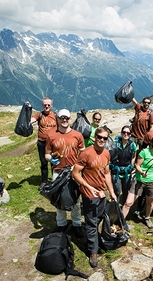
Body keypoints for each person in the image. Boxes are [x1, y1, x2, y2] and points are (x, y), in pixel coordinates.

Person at [72, 127, 117, 268]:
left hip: (102, 193)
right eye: (99, 137)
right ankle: (93, 251)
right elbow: (75, 173)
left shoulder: (106, 154)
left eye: (105, 138)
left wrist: (112, 191)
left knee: (98, 219)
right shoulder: (86, 153)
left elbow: (107, 173)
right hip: (89, 195)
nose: (102, 140)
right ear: (95, 136)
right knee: (91, 223)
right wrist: (89, 187)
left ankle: (92, 241)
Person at [44, 109, 85, 238]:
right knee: (59, 199)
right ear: (58, 119)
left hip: (73, 171)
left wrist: (78, 165)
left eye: (66, 118)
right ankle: (61, 224)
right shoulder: (51, 136)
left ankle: (76, 224)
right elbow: (46, 154)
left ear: (70, 119)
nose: (64, 120)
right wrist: (52, 159)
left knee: (76, 200)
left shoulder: (77, 135)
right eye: (62, 118)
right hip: (58, 171)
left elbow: (82, 152)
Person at [122, 133, 153, 229]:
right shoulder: (144, 152)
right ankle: (121, 221)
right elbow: (137, 165)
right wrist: (142, 172)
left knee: (150, 203)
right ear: (152, 141)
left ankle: (147, 218)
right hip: (139, 181)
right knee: (128, 203)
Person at [30, 98, 57, 190]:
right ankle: (44, 181)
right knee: (43, 163)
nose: (46, 106)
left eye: (48, 105)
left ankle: (55, 181)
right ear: (42, 105)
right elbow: (32, 120)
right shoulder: (39, 114)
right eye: (45, 105)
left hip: (53, 143)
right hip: (41, 142)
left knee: (54, 162)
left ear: (51, 106)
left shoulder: (55, 115)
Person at [110, 125, 137, 205]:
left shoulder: (133, 145)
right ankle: (115, 208)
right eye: (124, 132)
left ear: (130, 135)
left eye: (128, 133)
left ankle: (123, 210)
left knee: (126, 191)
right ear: (121, 133)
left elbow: (134, 155)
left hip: (127, 171)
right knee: (117, 191)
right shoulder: (115, 143)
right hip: (116, 171)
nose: (126, 134)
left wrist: (132, 165)